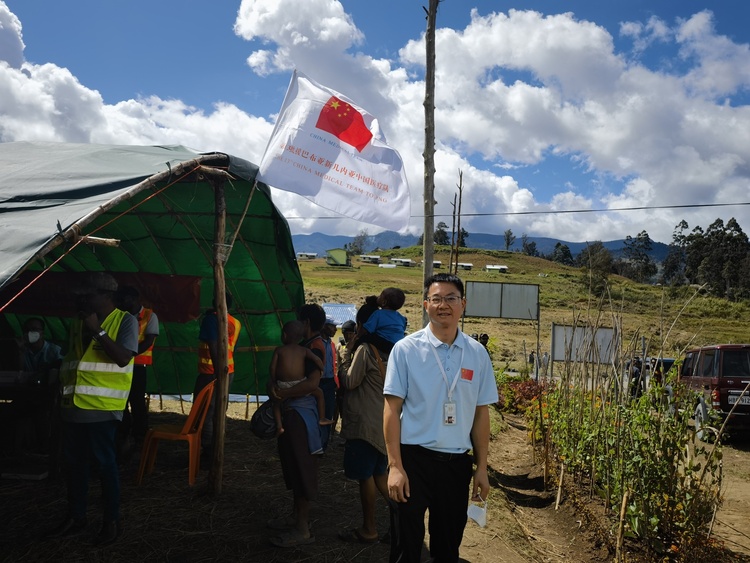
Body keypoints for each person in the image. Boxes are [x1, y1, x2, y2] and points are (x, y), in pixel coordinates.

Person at [384, 272, 499, 563]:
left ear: (463, 304)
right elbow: (391, 410)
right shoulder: (406, 350)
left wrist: (481, 467)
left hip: (456, 464)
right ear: (426, 305)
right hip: (413, 460)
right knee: (406, 544)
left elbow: (481, 413)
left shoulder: (477, 354)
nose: (443, 305)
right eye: (436, 299)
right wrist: (395, 466)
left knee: (447, 547)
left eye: (451, 298)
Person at [48, 272, 138, 546]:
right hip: (73, 408)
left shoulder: (125, 321)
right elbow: (71, 361)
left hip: (102, 409)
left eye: (88, 295)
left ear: (106, 296)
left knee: (105, 465)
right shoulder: (78, 323)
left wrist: (97, 330)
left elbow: (123, 358)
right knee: (74, 465)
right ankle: (77, 517)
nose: (83, 300)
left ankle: (111, 521)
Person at [266, 303, 326, 548]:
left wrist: (281, 392)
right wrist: (273, 388)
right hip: (293, 412)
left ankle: (303, 528)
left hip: (302, 415)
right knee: (293, 464)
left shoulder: (315, 349)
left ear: (306, 324)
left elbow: (312, 384)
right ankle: (295, 518)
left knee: (301, 466)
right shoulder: (302, 349)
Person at [338, 303, 391, 544]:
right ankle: (402, 520)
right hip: (383, 423)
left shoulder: (366, 350)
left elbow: (350, 382)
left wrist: (345, 357)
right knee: (381, 474)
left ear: (362, 326)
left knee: (366, 476)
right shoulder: (392, 350)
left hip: (365, 424)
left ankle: (369, 528)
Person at [194, 291, 241, 464]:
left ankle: (208, 451)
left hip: (211, 372)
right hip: (228, 370)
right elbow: (231, 348)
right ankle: (215, 446)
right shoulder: (235, 323)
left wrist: (217, 374)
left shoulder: (211, 320)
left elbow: (214, 348)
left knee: (205, 411)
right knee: (218, 410)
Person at [270, 320, 330, 436]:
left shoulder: (279, 350)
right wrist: (321, 368)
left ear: (284, 335)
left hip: (282, 384)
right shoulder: (304, 350)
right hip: (300, 383)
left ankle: (279, 426)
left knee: (276, 404)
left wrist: (274, 381)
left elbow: (272, 368)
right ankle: (322, 418)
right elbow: (317, 360)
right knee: (320, 394)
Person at [116, 285, 159, 444]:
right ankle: (123, 430)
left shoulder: (150, 316)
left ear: (134, 299)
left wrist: (129, 353)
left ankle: (140, 435)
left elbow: (148, 341)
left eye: (124, 299)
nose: (121, 302)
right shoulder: (119, 315)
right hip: (121, 365)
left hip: (138, 366)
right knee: (121, 400)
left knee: (137, 401)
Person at [356, 287, 407, 354]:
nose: (378, 296)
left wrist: (357, 337)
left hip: (385, 344)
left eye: (380, 295)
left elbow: (367, 329)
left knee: (366, 338)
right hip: (398, 345)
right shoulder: (401, 317)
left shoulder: (378, 314)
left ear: (384, 302)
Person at [318, 317, 338, 449]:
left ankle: (323, 444)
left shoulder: (332, 345)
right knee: (317, 413)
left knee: (328, 414)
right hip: (317, 383)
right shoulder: (316, 343)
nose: (335, 329)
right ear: (324, 326)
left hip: (330, 383)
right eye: (332, 326)